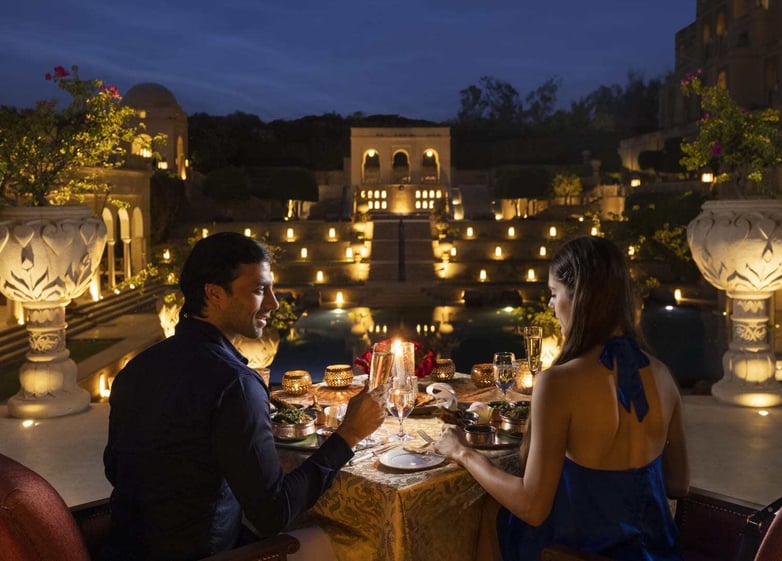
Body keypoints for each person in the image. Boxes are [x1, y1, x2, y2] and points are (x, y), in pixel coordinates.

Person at [103, 232, 385, 561]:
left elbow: (115, 469)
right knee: (357, 542)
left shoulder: (135, 370)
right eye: (259, 290)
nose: (274, 304)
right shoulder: (235, 383)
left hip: (125, 550)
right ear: (214, 294)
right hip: (208, 554)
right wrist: (349, 433)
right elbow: (273, 514)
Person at [436, 235, 689, 561]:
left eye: (554, 294)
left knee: (490, 509)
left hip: (574, 553)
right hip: (656, 552)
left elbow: (532, 507)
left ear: (579, 297)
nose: (552, 306)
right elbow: (678, 484)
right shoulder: (662, 374)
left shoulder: (559, 383)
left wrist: (462, 452)